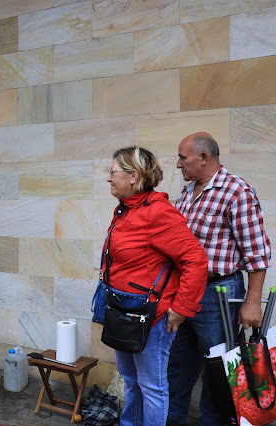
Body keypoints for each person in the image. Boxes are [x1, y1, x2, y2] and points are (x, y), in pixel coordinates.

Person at [168, 132, 272, 426]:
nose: (178, 165)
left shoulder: (236, 191)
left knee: (218, 369)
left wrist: (252, 302)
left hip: (219, 293)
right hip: (184, 291)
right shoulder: (187, 193)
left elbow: (257, 253)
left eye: (183, 158)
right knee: (177, 365)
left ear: (204, 158)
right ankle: (171, 420)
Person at [103, 146, 208, 425]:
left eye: (113, 172)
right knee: (131, 381)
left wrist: (182, 307)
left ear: (133, 175)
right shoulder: (125, 209)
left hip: (151, 317)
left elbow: (196, 260)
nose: (108, 178)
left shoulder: (158, 212)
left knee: (152, 387)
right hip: (123, 311)